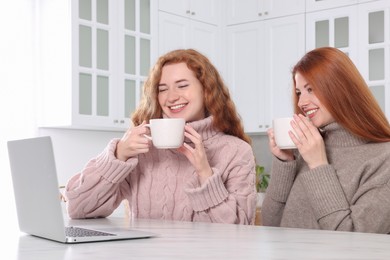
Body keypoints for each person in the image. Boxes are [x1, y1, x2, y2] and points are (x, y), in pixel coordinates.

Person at [65, 49, 257, 225]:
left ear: (206, 90)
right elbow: (77, 209)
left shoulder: (237, 151)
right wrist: (119, 154)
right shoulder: (141, 147)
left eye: (182, 85)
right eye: (162, 89)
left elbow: (240, 231)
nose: (171, 97)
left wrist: (205, 173)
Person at [262, 47, 390, 233]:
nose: (301, 103)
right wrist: (285, 162)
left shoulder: (383, 158)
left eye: (310, 89)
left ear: (341, 88)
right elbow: (271, 225)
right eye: (299, 92)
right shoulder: (305, 148)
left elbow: (355, 242)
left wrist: (319, 164)